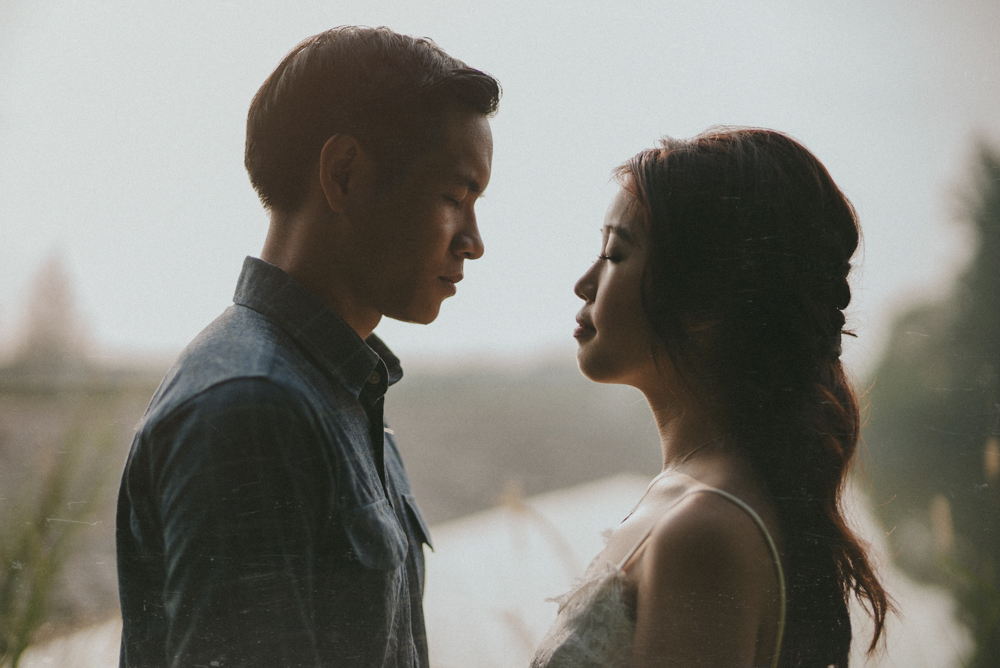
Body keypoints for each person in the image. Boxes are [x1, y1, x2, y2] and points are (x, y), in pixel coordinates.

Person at [116, 26, 499, 668]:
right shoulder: (251, 406)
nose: (474, 242)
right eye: (455, 198)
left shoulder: (339, 389)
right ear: (344, 173)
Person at [531, 128, 890, 668]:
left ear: (706, 304)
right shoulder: (694, 494)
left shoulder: (703, 528)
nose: (585, 283)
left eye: (615, 253)